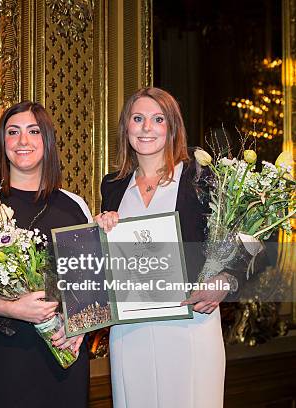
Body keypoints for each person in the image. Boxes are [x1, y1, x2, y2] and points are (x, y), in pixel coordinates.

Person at [96, 87, 235, 408]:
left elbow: (248, 242)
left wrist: (225, 280)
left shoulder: (201, 179)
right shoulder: (113, 186)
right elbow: (105, 262)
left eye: (158, 119)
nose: (146, 128)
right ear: (126, 127)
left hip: (190, 326)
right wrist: (100, 229)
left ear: (172, 128)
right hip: (130, 331)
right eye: (138, 118)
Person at [0, 101, 91, 408]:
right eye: (13, 132)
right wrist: (13, 308)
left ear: (46, 140)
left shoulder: (75, 206)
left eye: (33, 131)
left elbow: (89, 290)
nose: (23, 141)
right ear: (3, 143)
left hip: (63, 356)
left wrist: (81, 329)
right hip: (2, 358)